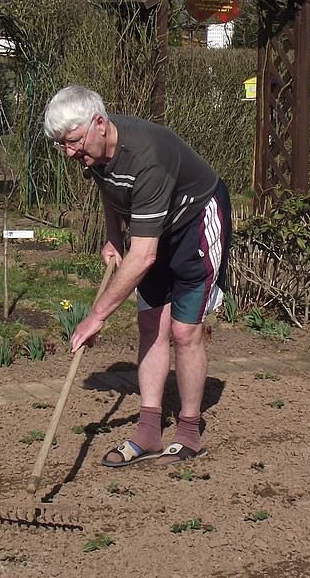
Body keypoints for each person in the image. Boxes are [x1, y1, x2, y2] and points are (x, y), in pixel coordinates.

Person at [43, 85, 231, 466]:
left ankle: (189, 431)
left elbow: (143, 255)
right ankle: (148, 431)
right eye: (62, 145)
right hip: (155, 226)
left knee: (184, 331)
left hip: (195, 221)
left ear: (99, 123)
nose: (70, 152)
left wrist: (96, 316)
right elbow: (109, 185)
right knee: (150, 325)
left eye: (74, 141)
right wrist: (113, 234)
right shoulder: (95, 151)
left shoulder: (148, 158)